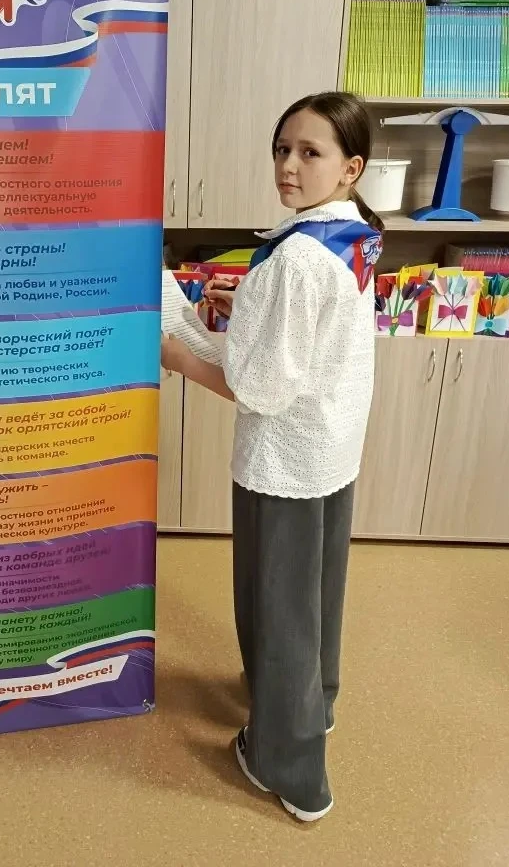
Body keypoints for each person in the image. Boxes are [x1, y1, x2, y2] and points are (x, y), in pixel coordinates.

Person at [161, 91, 383, 823]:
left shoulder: (294, 260)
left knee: (278, 606)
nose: (289, 165)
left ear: (350, 167)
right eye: (282, 149)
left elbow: (257, 389)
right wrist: (249, 307)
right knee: (314, 597)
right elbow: (313, 334)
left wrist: (176, 353)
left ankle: (288, 767)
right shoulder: (354, 236)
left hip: (284, 463)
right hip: (331, 448)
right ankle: (315, 706)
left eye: (310, 153)